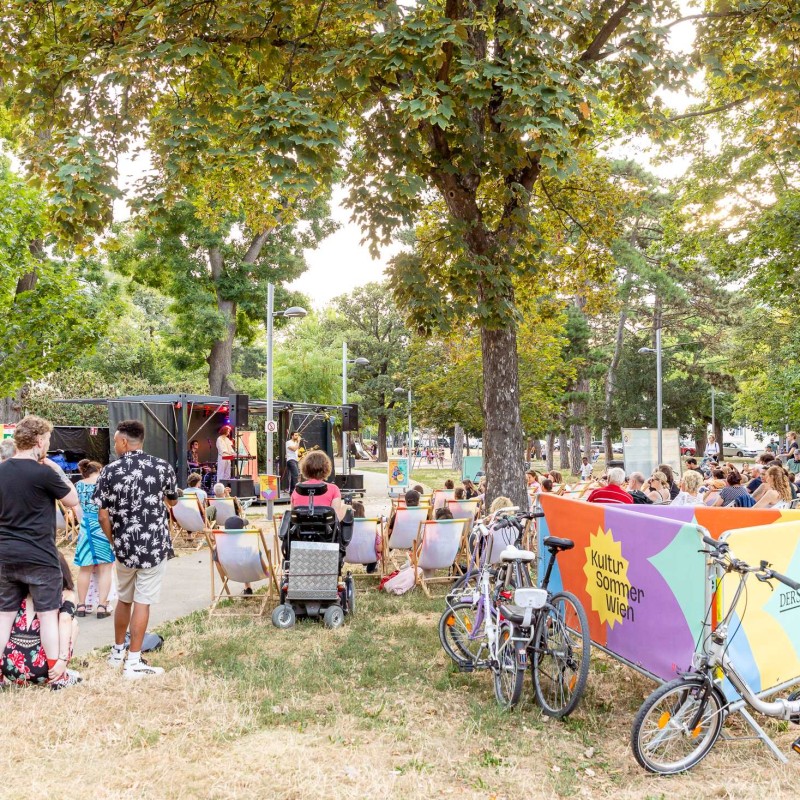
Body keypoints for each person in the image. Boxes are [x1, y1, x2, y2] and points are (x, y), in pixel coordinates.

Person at [0, 415, 80, 684]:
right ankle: (55, 673)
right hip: (39, 555)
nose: (48, 444)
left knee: (4, 616)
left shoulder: (1, 470)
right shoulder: (45, 472)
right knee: (48, 615)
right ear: (37, 441)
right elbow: (72, 499)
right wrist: (57, 471)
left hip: (5, 553)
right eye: (46, 439)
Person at [96, 420, 177, 679]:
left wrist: (113, 540)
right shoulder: (162, 467)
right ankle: (133, 661)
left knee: (124, 598)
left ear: (122, 441)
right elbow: (173, 499)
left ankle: (117, 651)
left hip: (124, 546)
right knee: (144, 600)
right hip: (153, 546)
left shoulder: (109, 471)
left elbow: (102, 515)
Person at [2, 552, 82, 689]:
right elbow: (65, 620)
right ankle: (59, 679)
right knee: (73, 624)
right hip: (44, 669)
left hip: (9, 667)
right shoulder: (66, 595)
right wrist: (63, 660)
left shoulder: (17, 594)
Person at [73, 459, 115, 619]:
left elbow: (76, 507)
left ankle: (81, 605)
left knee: (85, 568)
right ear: (99, 470)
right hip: (101, 527)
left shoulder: (78, 485)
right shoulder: (104, 484)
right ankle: (102, 606)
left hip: (85, 528)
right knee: (105, 568)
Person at [291, 450, 345, 520]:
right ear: (326, 468)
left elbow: (293, 516)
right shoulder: (333, 489)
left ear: (304, 468)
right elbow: (336, 519)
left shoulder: (297, 489)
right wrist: (346, 508)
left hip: (301, 529)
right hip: (325, 529)